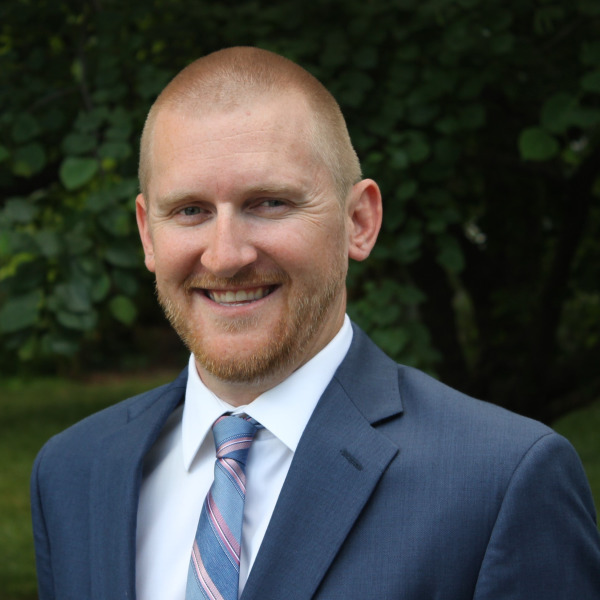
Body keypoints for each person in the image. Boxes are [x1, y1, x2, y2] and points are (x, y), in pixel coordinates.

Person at [31, 47, 600, 600]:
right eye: (190, 211)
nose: (225, 256)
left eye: (269, 203)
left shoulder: (501, 482)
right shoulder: (73, 473)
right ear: (147, 233)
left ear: (359, 221)